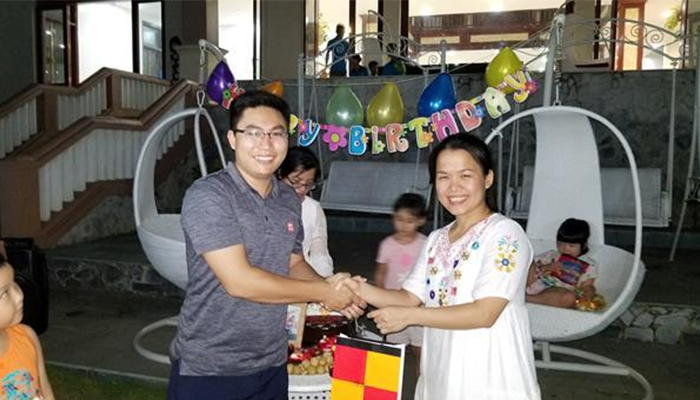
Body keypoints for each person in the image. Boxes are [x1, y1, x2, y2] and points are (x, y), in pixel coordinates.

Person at [168, 90, 364, 400]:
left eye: (276, 133)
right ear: (232, 139)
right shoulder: (209, 195)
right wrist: (323, 292)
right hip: (211, 366)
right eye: (253, 133)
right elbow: (239, 281)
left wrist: (330, 289)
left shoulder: (288, 198)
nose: (266, 144)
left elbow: (293, 262)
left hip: (271, 361)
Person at [339, 134, 540, 399]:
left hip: (489, 372)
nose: (454, 187)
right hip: (441, 370)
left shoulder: (505, 234)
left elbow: (485, 313)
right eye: (444, 177)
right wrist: (355, 288)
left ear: (487, 178)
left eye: (465, 175)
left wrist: (410, 317)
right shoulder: (436, 239)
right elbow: (409, 297)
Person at [374, 192, 427, 377]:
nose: (403, 225)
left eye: (410, 221)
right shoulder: (387, 245)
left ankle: (421, 383)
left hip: (419, 308)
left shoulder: (425, 244)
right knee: (394, 350)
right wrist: (380, 300)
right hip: (393, 306)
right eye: (399, 219)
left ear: (420, 221)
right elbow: (381, 273)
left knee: (421, 351)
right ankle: (389, 383)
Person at [0, 251, 55, 400]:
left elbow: (46, 392)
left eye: (14, 281)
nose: (19, 295)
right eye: (4, 293)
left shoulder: (26, 336)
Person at [277, 147, 334, 277]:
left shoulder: (312, 208)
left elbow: (319, 254)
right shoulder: (266, 204)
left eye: (308, 184)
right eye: (296, 182)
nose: (302, 189)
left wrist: (326, 282)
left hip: (302, 276)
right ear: (280, 175)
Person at [526, 218, 598, 308]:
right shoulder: (551, 255)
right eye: (560, 244)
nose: (565, 249)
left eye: (571, 246)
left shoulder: (589, 264)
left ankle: (527, 299)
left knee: (569, 298)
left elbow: (587, 285)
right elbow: (531, 265)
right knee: (528, 262)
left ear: (584, 245)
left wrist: (589, 291)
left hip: (558, 292)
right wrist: (546, 267)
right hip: (534, 285)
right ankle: (523, 295)